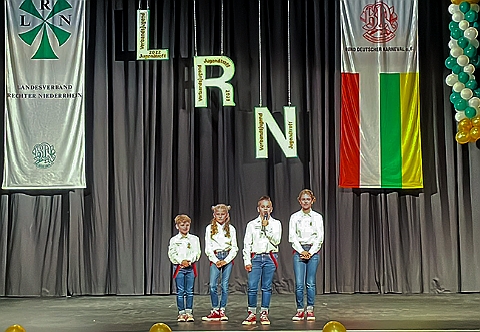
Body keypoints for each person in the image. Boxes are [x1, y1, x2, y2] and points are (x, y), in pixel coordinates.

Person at [241, 195, 282, 325]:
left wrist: (267, 227)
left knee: (266, 287)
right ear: (258, 209)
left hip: (270, 257)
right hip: (256, 257)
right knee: (252, 286)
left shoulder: (276, 224)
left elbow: (276, 241)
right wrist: (247, 261)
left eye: (267, 207)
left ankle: (264, 312)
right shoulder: (252, 225)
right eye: (262, 207)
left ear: (271, 209)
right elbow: (247, 244)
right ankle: (252, 313)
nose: (265, 209)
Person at [288, 189, 324, 321]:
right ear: (299, 201)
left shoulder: (317, 217)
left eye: (308, 199)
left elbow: (319, 237)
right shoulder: (295, 217)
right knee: (299, 283)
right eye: (303, 199)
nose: (305, 201)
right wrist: (301, 251)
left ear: (312, 200)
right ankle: (299, 310)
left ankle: (310, 309)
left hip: (313, 252)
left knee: (310, 282)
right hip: (299, 251)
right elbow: (292, 237)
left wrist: (310, 252)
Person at [202, 204, 239, 322]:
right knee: (213, 285)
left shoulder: (231, 229)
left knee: (224, 285)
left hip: (227, 257)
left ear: (227, 215)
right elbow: (208, 247)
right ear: (214, 215)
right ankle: (214, 309)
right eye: (218, 214)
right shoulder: (209, 228)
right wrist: (216, 260)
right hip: (215, 257)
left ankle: (222, 309)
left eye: (223, 214)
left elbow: (235, 247)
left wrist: (226, 260)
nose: (220, 216)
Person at [168, 214, 201, 322]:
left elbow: (197, 252)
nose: (185, 227)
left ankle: (189, 312)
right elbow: (172, 253)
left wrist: (189, 261)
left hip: (190, 267)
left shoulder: (194, 239)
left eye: (187, 225)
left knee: (190, 291)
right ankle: (181, 313)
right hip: (179, 268)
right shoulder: (174, 240)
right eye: (182, 225)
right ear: (177, 226)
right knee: (180, 291)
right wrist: (181, 261)